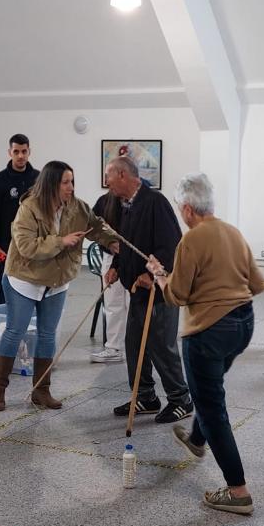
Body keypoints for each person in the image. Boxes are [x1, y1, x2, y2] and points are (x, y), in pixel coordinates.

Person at [146, 173, 264, 515]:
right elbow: (257, 284)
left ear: (186, 209)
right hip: (243, 325)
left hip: (209, 331)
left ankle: (238, 491)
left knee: (212, 406)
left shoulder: (192, 240)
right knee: (209, 390)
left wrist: (158, 273)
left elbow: (176, 296)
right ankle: (197, 441)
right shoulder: (233, 232)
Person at [0, 161, 118, 411]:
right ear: (52, 184)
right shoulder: (29, 208)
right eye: (66, 182)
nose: (71, 187)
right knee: (15, 331)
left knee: (47, 334)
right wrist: (61, 241)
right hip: (23, 279)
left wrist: (111, 241)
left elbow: (97, 227)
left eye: (72, 181)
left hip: (57, 281)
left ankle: (42, 391)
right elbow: (26, 246)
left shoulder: (78, 207)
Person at [105, 156, 193, 424]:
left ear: (123, 175)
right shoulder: (125, 205)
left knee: (160, 345)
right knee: (134, 345)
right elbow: (126, 243)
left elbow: (172, 245)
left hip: (160, 290)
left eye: (109, 175)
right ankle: (145, 396)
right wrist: (117, 266)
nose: (106, 181)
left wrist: (151, 273)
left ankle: (181, 399)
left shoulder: (155, 202)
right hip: (137, 290)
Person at [0, 134, 39, 305]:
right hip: (5, 245)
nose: (21, 156)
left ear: (29, 152)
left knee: (32, 286)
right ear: (10, 152)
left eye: (24, 151)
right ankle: (1, 328)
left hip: (33, 244)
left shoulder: (39, 179)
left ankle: (30, 327)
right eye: (16, 151)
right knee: (3, 284)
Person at [90, 189, 128, 364]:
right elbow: (91, 225)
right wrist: (106, 238)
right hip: (110, 255)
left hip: (133, 255)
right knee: (112, 302)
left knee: (133, 303)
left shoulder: (138, 201)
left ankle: (136, 346)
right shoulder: (104, 200)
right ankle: (113, 347)